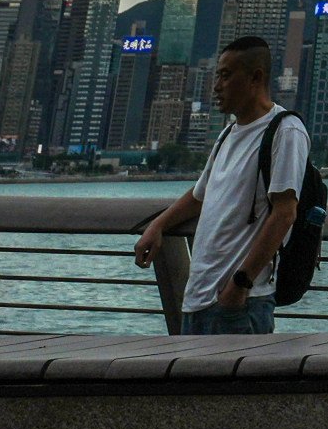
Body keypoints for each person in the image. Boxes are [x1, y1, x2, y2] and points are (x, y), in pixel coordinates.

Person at [133, 38, 313, 334]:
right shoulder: (227, 134)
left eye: (226, 76)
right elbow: (199, 196)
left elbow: (284, 213)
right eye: (217, 76)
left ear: (255, 78)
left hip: (239, 304)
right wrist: (158, 225)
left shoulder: (286, 130)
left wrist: (240, 284)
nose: (216, 86)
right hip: (197, 300)